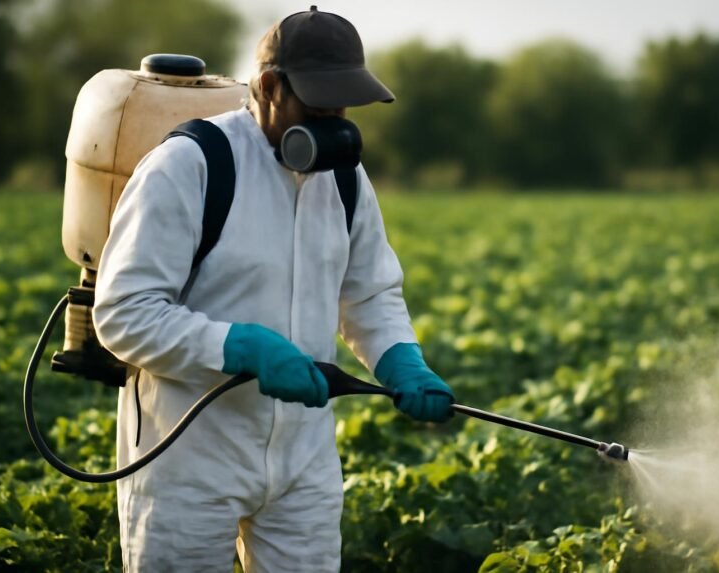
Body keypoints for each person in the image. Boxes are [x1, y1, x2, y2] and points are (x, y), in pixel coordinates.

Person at [92, 6, 454, 572]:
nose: (335, 119)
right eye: (318, 102)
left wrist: (402, 359)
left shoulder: (344, 177)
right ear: (267, 86)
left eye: (343, 105)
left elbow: (370, 294)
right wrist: (241, 348)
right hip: (188, 455)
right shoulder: (189, 165)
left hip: (302, 458)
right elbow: (123, 313)